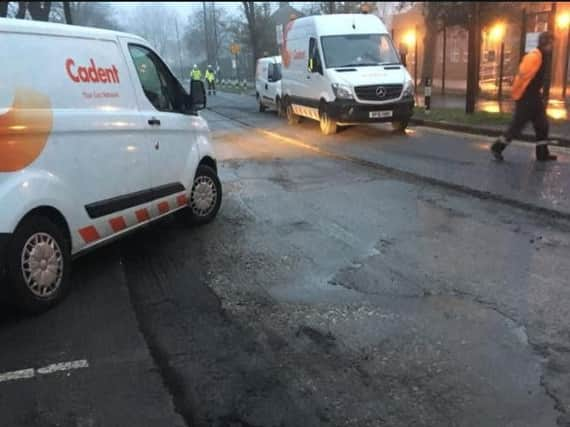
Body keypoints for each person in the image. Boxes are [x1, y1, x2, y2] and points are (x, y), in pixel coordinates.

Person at [490, 32, 557, 162]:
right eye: (551, 43)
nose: (553, 46)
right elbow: (522, 76)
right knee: (517, 126)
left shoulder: (543, 56)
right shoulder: (534, 56)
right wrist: (519, 93)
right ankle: (497, 147)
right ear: (546, 43)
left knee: (542, 125)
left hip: (534, 97)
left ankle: (542, 154)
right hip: (526, 97)